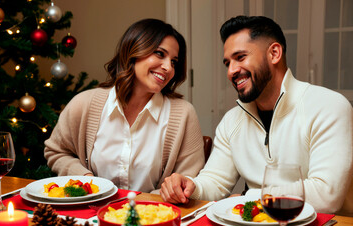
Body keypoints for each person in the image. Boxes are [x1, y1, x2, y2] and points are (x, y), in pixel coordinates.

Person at [160, 15, 353, 214]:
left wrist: (249, 198)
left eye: (240, 57)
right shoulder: (231, 121)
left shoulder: (329, 106)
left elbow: (325, 195)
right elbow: (215, 181)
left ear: (274, 53)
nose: (231, 71)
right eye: (227, 63)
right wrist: (191, 186)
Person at [44, 18, 205, 193]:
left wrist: (148, 203)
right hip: (91, 215)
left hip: (153, 215)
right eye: (160, 54)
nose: (168, 67)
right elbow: (56, 152)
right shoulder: (85, 104)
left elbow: (189, 180)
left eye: (174, 61)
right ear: (133, 51)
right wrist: (84, 179)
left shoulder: (183, 114)